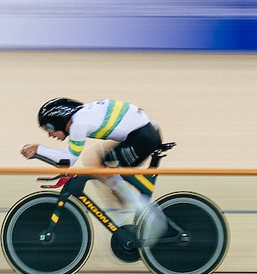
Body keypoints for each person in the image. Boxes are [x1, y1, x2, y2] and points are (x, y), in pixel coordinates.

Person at [21, 97, 169, 246]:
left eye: (49, 128)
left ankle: (146, 213)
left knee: (97, 166)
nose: (50, 135)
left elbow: (67, 161)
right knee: (108, 176)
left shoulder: (78, 123)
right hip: (143, 132)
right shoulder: (81, 116)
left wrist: (38, 150)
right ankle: (124, 226)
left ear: (60, 119)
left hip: (143, 135)